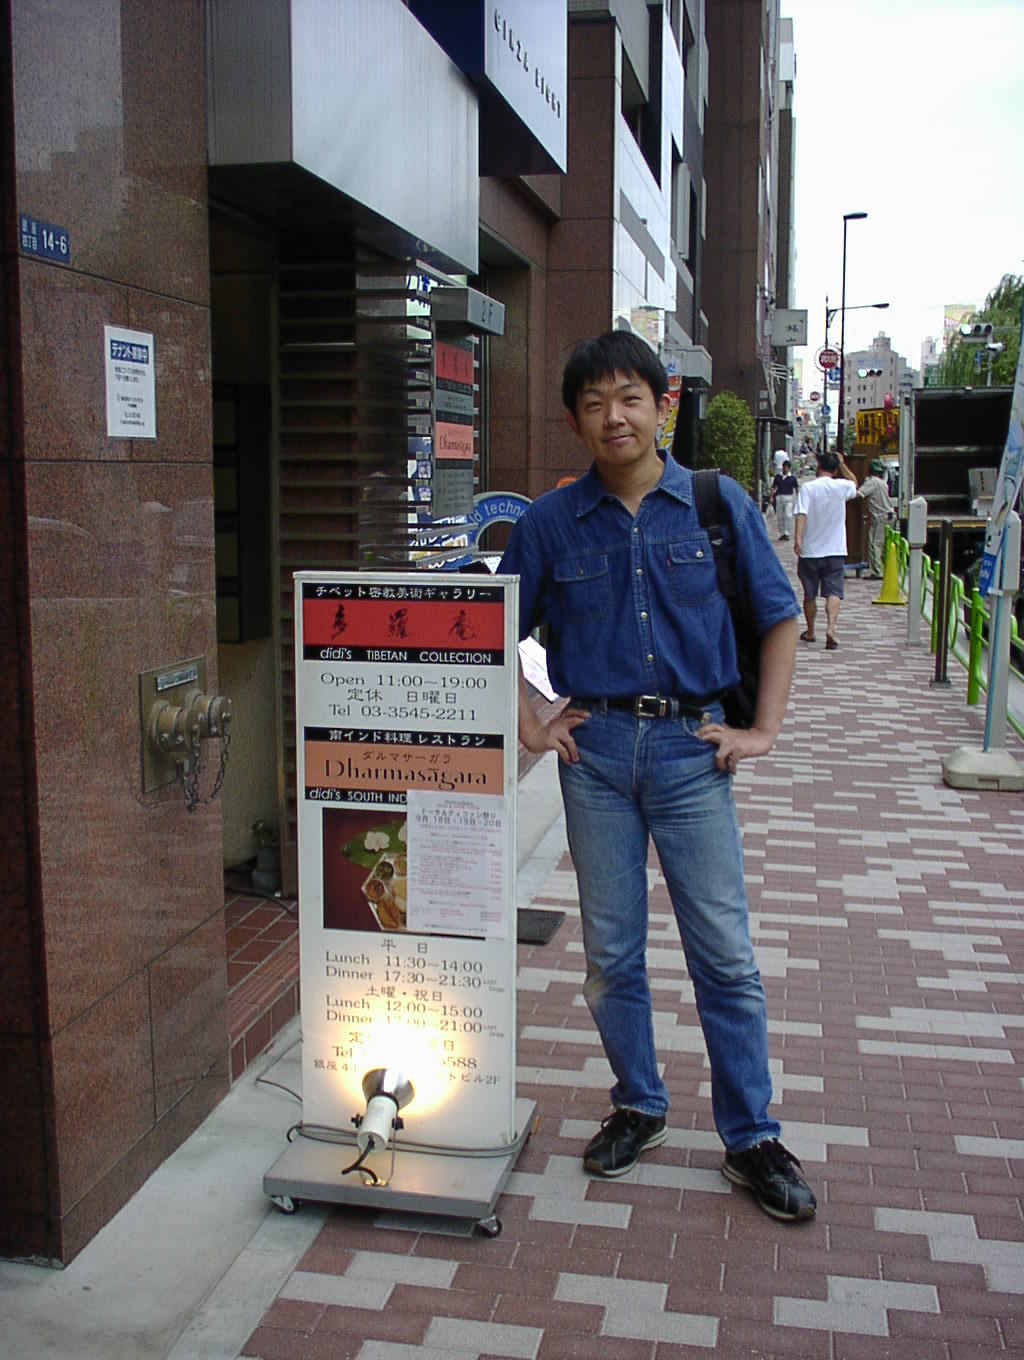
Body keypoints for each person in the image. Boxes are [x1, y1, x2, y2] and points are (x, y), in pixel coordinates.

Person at [499, 332, 815, 1223]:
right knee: (611, 954)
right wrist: (531, 723)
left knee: (725, 955)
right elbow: (488, 627)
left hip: (691, 753)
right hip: (595, 755)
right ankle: (638, 1103)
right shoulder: (548, 524)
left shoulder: (715, 505)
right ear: (575, 420)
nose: (615, 417)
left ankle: (751, 1136)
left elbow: (780, 616)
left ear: (659, 405)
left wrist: (763, 731)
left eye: (629, 398)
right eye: (594, 403)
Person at [793, 449, 858, 650]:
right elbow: (855, 483)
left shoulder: (808, 488)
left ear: (819, 467)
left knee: (809, 593)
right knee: (834, 591)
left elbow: (801, 513)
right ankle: (831, 628)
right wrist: (842, 464)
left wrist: (798, 538)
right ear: (835, 470)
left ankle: (811, 631)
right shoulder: (841, 486)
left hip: (810, 550)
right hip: (835, 550)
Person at [858, 458, 894, 577]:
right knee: (883, 545)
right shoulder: (883, 482)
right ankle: (884, 569)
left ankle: (877, 572)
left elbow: (859, 493)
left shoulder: (873, 482)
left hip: (880, 517)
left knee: (874, 544)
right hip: (889, 516)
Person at [771, 460, 799, 540]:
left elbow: (796, 488)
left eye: (787, 468)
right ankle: (782, 532)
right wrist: (771, 497)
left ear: (789, 469)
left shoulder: (792, 478)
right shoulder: (778, 477)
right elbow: (773, 487)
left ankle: (787, 532)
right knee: (780, 515)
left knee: (788, 515)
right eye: (784, 467)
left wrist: (798, 498)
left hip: (788, 497)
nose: (785, 469)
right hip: (779, 497)